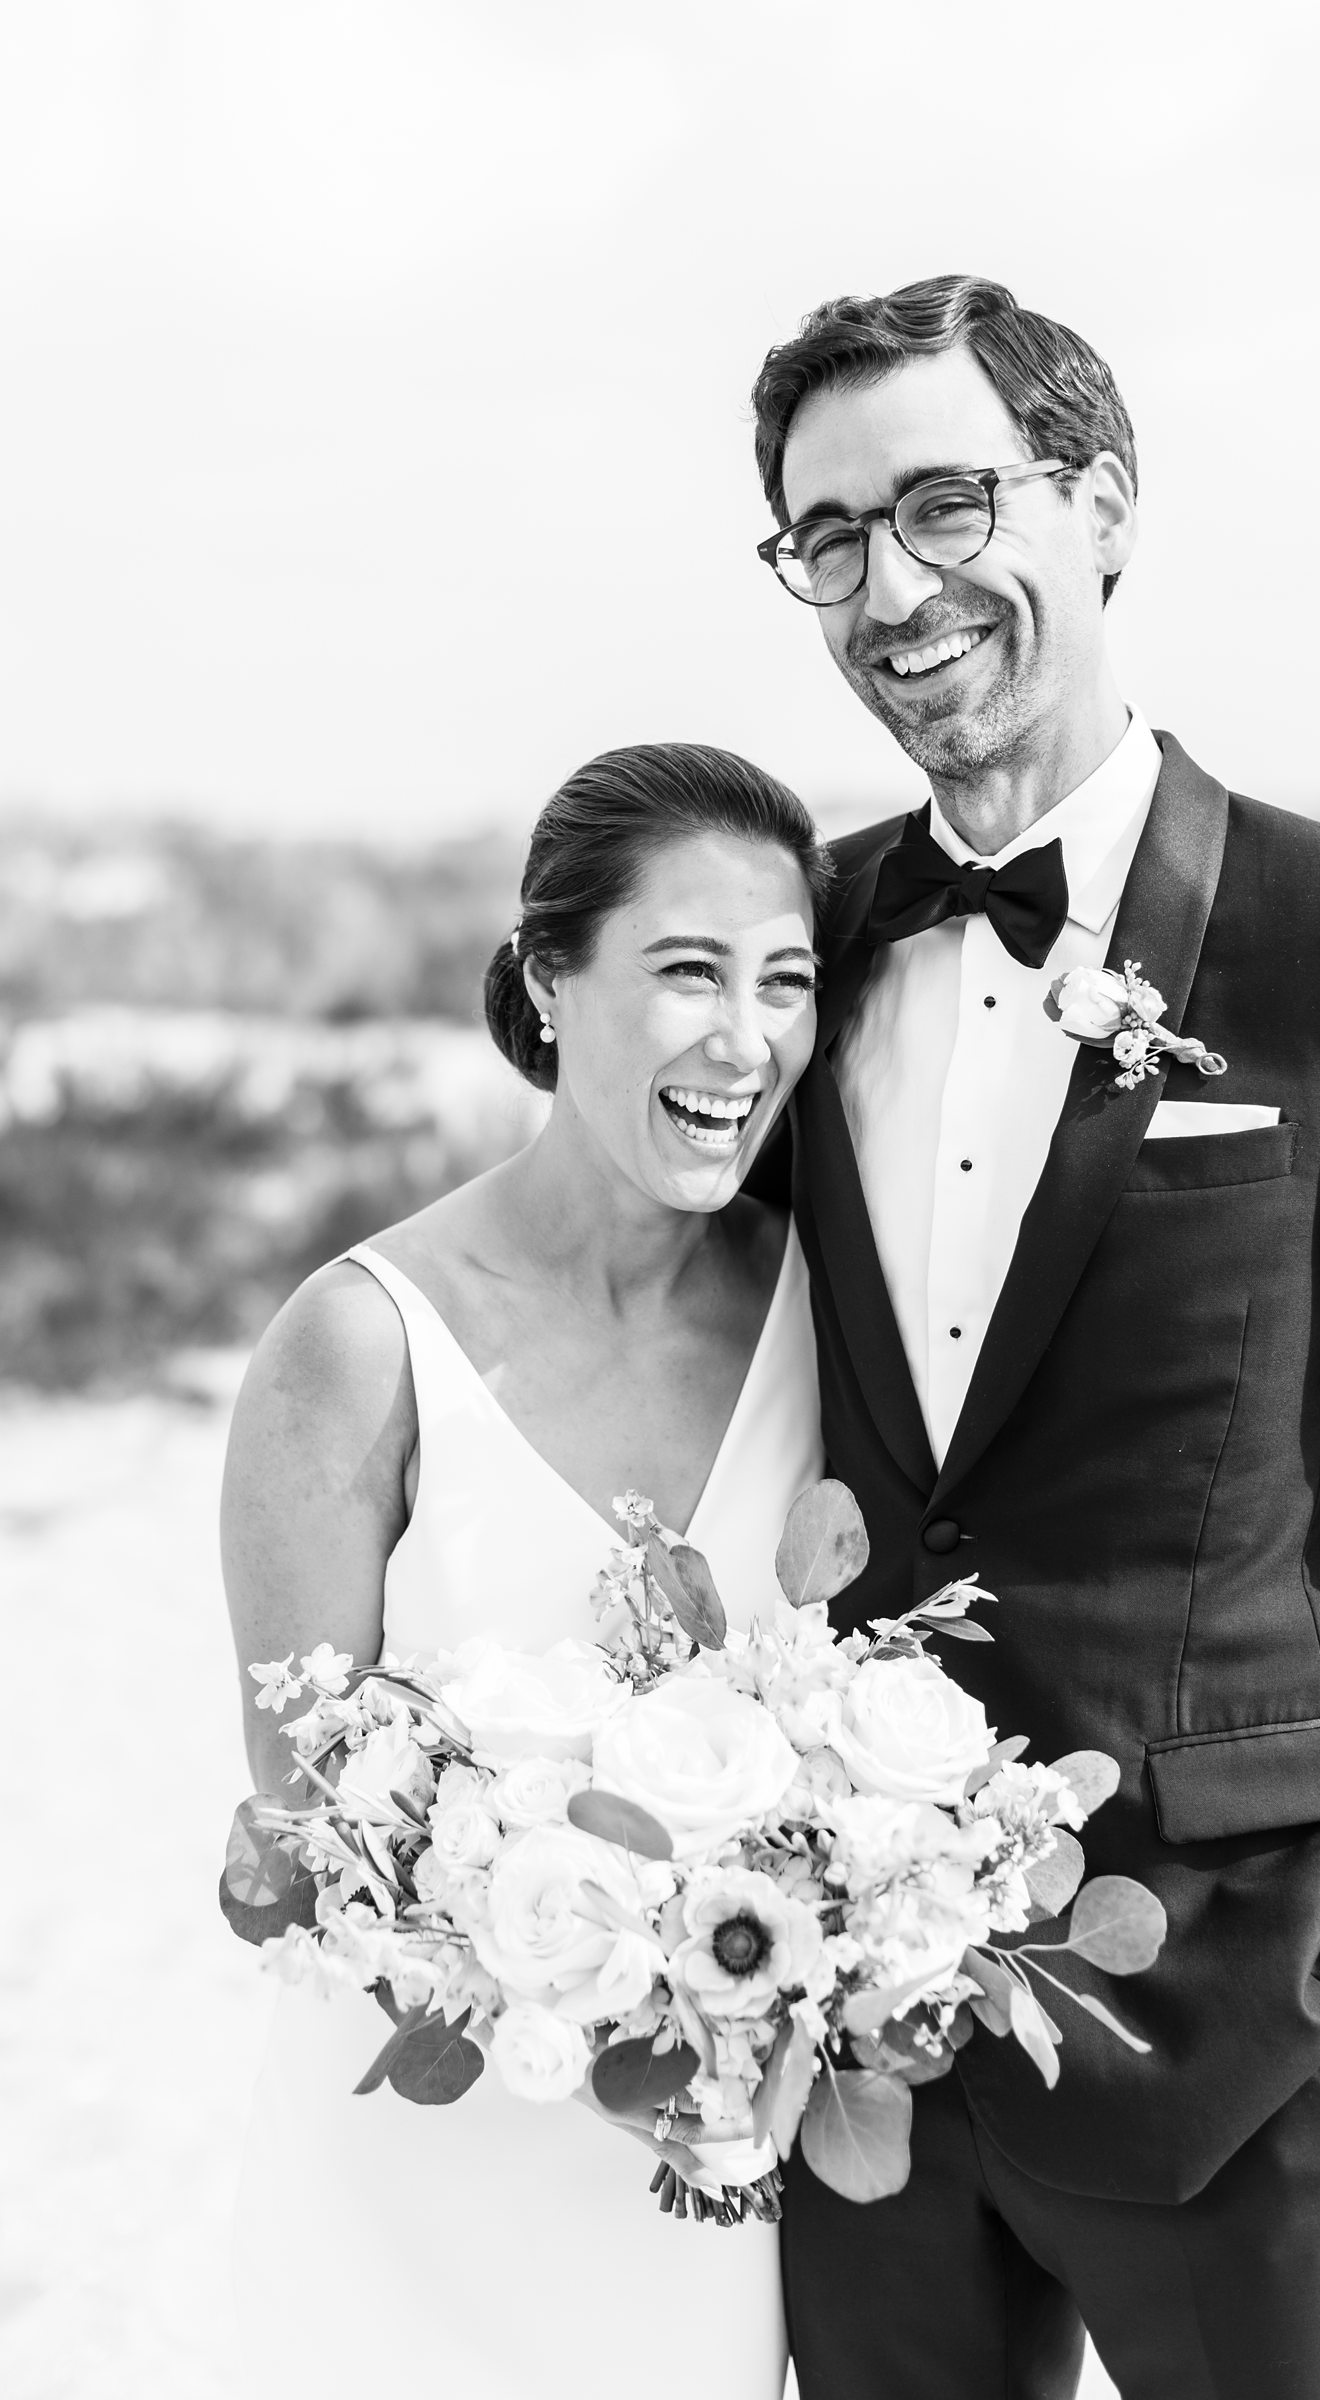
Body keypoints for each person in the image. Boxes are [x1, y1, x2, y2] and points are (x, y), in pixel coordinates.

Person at [747, 277, 1320, 2399]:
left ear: (1101, 506)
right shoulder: (799, 943)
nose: (891, 588)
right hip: (854, 2052)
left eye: (946, 504)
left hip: (1249, 2035)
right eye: (828, 538)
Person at [223, 742, 829, 2400]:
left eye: (787, 980)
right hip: (418, 2201)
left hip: (709, 2214)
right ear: (550, 982)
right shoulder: (357, 1346)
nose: (745, 1038)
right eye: (687, 971)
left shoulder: (833, 1322)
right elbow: (300, 1834)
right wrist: (581, 1993)